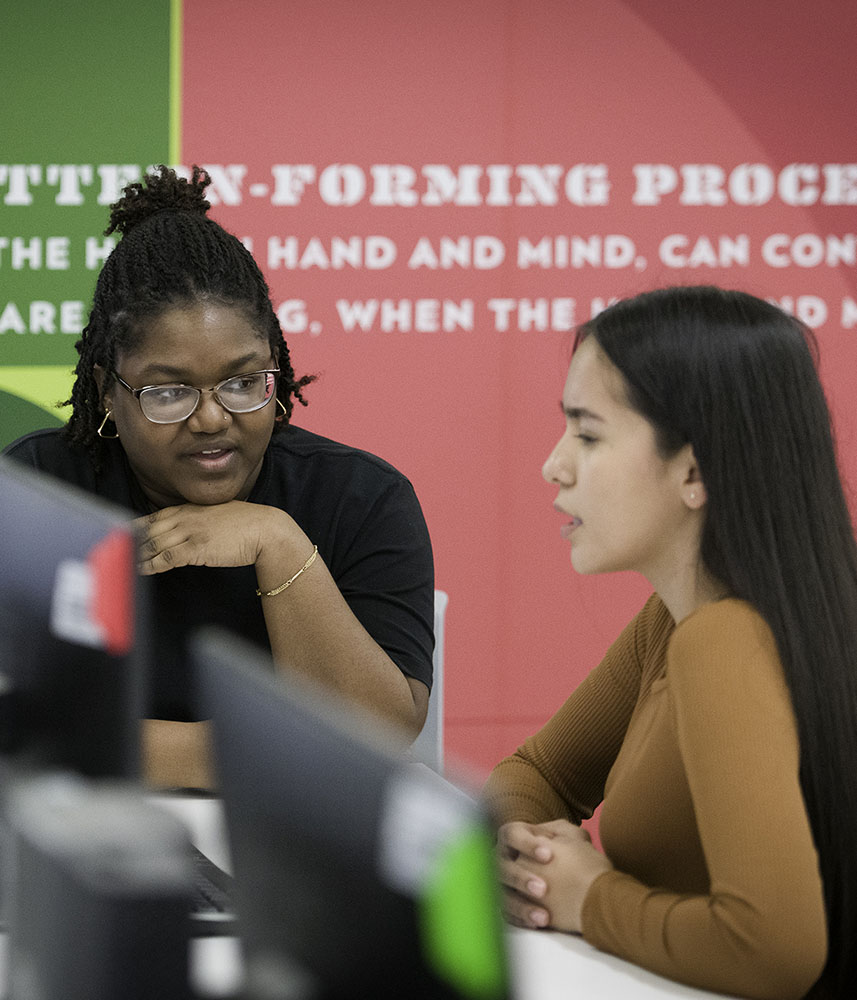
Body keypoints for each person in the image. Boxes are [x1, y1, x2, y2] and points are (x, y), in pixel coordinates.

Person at [3, 165, 434, 790]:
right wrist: (254, 753)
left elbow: (378, 737)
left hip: (284, 851)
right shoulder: (38, 486)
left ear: (276, 372)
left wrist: (278, 542)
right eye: (170, 390)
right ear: (106, 392)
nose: (212, 419)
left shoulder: (360, 499)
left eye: (241, 382)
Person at [482, 286, 857, 999]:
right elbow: (539, 774)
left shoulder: (723, 640)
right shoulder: (676, 618)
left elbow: (774, 951)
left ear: (693, 471)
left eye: (587, 435)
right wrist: (528, 863)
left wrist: (588, 900)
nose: (554, 466)